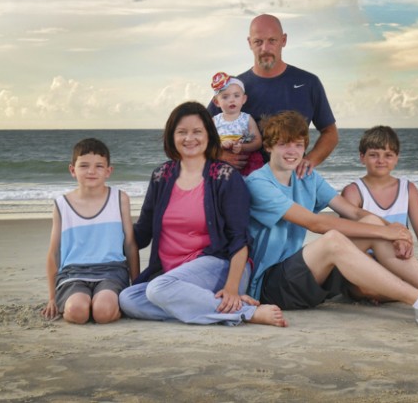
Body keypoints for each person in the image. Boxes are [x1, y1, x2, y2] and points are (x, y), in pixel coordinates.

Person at [245, 111, 418, 332]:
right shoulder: (258, 183)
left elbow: (354, 212)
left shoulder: (306, 176)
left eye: (298, 145)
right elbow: (315, 224)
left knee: (371, 221)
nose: (292, 151)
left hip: (307, 279)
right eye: (283, 144)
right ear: (268, 146)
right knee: (333, 240)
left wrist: (394, 230)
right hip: (272, 285)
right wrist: (387, 233)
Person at [118, 101, 287, 327]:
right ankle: (209, 306)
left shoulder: (224, 177)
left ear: (209, 135)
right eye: (182, 132)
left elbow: (239, 238)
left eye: (197, 131)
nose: (190, 138)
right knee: (128, 299)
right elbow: (143, 232)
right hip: (174, 276)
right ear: (171, 136)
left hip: (222, 268)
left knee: (157, 289)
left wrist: (231, 288)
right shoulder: (161, 176)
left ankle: (244, 311)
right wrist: (111, 220)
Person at [208, 14, 338, 177]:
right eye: (258, 42)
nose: (265, 48)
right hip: (245, 185)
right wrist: (217, 155)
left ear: (283, 40)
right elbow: (199, 131)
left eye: (272, 41)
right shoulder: (234, 89)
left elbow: (330, 132)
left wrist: (310, 161)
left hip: (291, 182)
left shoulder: (308, 83)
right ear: (249, 43)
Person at [342, 125, 418, 285]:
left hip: (402, 264)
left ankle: (397, 289)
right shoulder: (353, 191)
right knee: (361, 288)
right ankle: (398, 288)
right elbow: (349, 243)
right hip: (369, 267)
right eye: (373, 155)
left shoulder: (408, 189)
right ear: (362, 157)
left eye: (388, 155)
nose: (381, 161)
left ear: (397, 158)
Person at [42, 138, 140, 324]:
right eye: (84, 165)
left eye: (99, 166)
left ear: (109, 171)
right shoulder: (61, 205)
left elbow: (130, 245)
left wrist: (135, 286)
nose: (92, 171)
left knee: (102, 312)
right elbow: (54, 252)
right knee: (76, 312)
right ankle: (76, 303)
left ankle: (110, 308)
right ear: (72, 170)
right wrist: (52, 298)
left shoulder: (119, 199)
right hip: (73, 274)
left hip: (112, 272)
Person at [210, 71, 264, 176]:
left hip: (245, 163)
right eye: (225, 97)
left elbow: (258, 142)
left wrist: (242, 147)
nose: (231, 100)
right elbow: (207, 143)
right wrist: (219, 146)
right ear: (216, 102)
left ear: (243, 99)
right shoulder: (214, 121)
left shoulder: (247, 118)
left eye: (236, 96)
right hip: (221, 165)